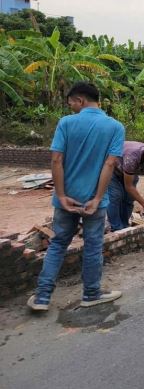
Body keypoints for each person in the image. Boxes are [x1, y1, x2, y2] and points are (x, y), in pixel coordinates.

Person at [28, 82, 125, 312]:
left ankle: (42, 297)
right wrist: (97, 197)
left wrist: (61, 195)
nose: (69, 105)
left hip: (66, 199)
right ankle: (91, 294)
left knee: (58, 243)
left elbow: (56, 160)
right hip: (95, 201)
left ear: (80, 100)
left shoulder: (66, 123)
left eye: (71, 101)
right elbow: (110, 163)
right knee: (93, 246)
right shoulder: (115, 127)